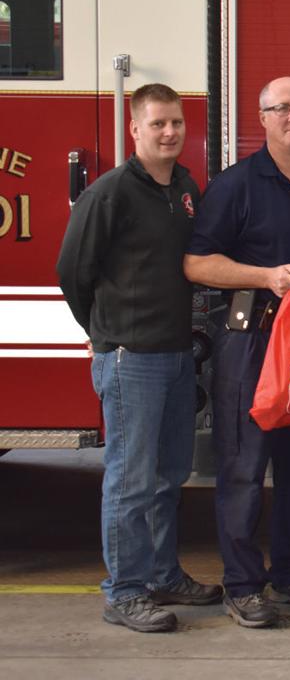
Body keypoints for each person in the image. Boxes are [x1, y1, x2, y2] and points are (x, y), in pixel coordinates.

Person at [184, 76, 290, 628]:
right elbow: (197, 263)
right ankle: (243, 585)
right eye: (281, 108)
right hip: (251, 343)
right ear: (262, 118)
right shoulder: (235, 185)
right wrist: (264, 276)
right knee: (244, 467)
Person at [56, 83, 220, 633]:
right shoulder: (110, 193)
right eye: (157, 124)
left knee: (169, 475)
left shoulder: (185, 188)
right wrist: (101, 333)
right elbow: (72, 271)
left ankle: (162, 575)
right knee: (130, 481)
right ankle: (125, 592)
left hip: (175, 354)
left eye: (176, 122)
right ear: (135, 129)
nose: (169, 132)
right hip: (131, 358)